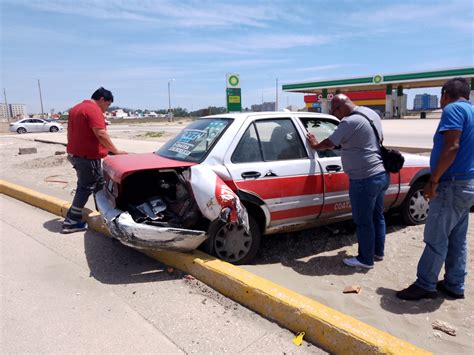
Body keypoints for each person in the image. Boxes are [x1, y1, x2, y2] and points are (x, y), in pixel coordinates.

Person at [396, 78, 474, 300]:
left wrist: (434, 181)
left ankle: (425, 284)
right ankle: (454, 284)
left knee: (436, 237)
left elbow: (452, 146)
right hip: (466, 183)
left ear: (445, 93)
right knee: (457, 238)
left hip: (451, 184)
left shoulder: (453, 109)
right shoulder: (471, 111)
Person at [306, 94, 389, 269]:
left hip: (363, 179)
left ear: (341, 107)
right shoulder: (371, 114)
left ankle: (365, 260)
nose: (335, 116)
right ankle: (377, 252)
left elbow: (329, 142)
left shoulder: (348, 122)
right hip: (380, 173)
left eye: (334, 111)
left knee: (363, 221)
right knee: (377, 216)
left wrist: (314, 144)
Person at [62, 87, 127, 234]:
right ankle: (71, 221)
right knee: (85, 187)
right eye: (108, 105)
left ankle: (104, 217)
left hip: (76, 154)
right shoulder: (93, 109)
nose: (106, 108)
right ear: (102, 99)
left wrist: (105, 149)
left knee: (100, 185)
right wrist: (115, 150)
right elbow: (101, 133)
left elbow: (84, 133)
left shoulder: (76, 108)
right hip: (87, 158)